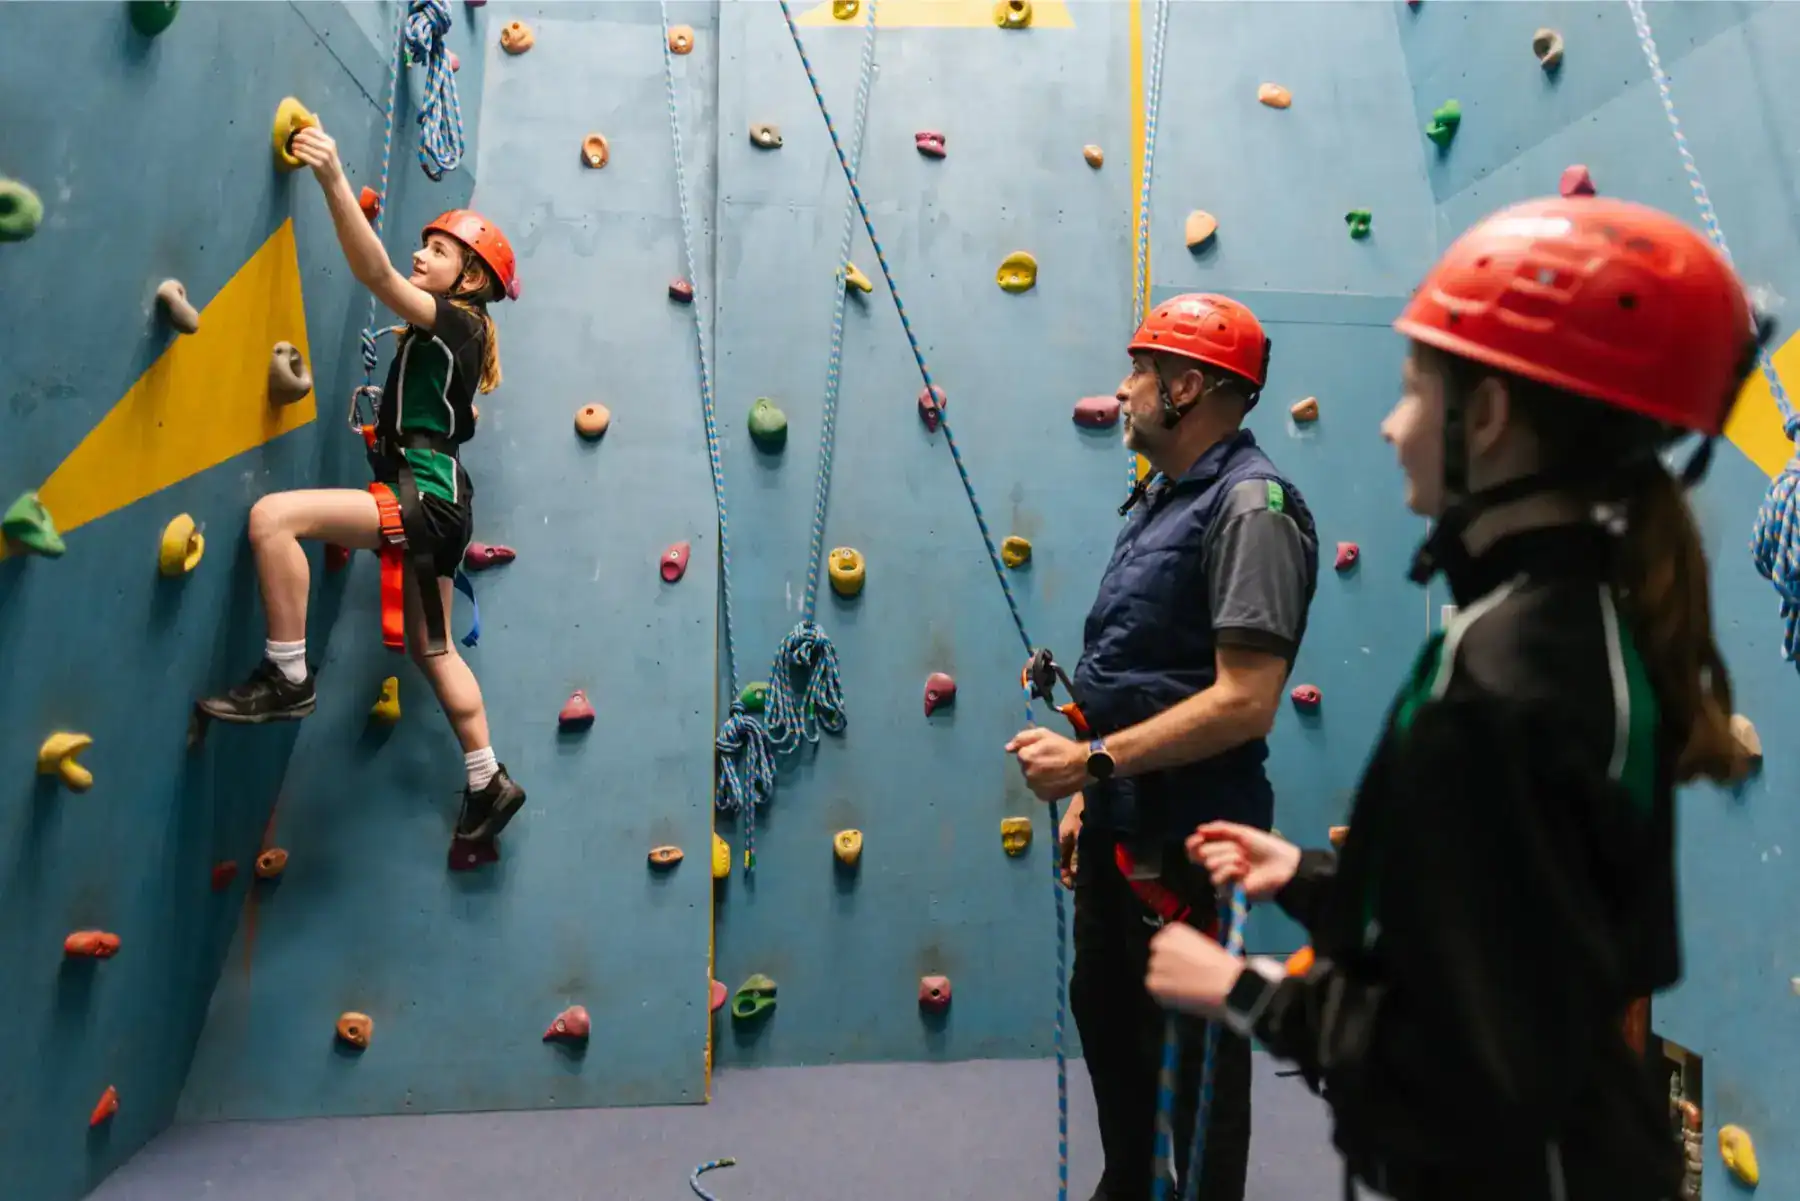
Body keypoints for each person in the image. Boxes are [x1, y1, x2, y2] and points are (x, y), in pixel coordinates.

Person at [1145, 196, 1765, 1200]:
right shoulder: (1552, 623)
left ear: (1488, 420)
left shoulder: (1508, 675)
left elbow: (1463, 1061)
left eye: (1412, 392)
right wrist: (1304, 874)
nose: (1391, 425)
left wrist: (1245, 991)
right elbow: (1484, 926)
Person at [1005, 294, 1320, 1201]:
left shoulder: (1250, 509)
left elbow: (1246, 701)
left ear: (1185, 387)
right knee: (1107, 1017)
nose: (1122, 388)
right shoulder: (1157, 501)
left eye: (1137, 370)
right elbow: (1131, 671)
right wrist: (1085, 799)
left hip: (1193, 839)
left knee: (1196, 1062)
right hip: (1121, 820)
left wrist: (1093, 765)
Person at [197, 123, 527, 848]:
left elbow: (376, 276)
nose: (419, 254)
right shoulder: (454, 341)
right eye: (423, 245)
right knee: (432, 648)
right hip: (440, 501)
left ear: (471, 278)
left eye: (438, 251)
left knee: (274, 519)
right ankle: (487, 778)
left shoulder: (458, 324)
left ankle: (288, 674)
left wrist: (332, 178)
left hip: (426, 496)